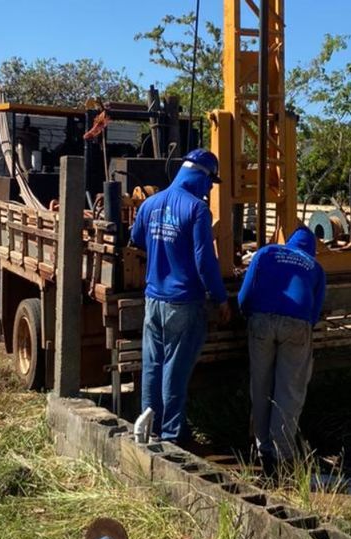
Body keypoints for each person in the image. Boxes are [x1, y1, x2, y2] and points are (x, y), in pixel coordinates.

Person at [130, 149, 231, 444]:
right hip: (183, 303)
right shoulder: (197, 210)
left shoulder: (150, 204)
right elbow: (204, 260)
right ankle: (173, 436)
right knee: (175, 369)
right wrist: (220, 297)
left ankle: (148, 428)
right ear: (199, 176)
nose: (211, 188)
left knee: (153, 365)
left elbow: (137, 239)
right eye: (210, 182)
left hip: (154, 299)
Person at [238, 225, 326, 476]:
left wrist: (247, 315)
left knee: (261, 384)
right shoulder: (315, 266)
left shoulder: (266, 253)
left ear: (288, 243)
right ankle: (284, 455)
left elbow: (246, 293)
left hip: (261, 321)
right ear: (312, 249)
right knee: (289, 390)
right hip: (297, 325)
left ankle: (262, 449)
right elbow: (315, 312)